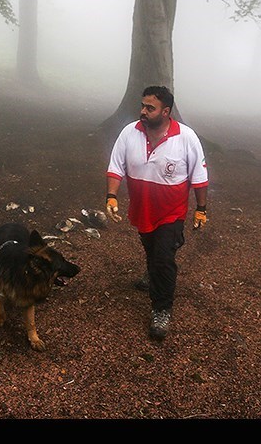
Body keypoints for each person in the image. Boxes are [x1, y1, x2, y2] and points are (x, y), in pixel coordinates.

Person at [105, 85, 208, 341]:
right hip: (143, 210)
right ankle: (153, 271)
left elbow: (200, 177)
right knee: (151, 247)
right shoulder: (130, 133)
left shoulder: (186, 137)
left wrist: (201, 210)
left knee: (163, 258)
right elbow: (115, 166)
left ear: (166, 111)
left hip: (172, 211)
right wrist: (111, 196)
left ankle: (161, 309)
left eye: (150, 108)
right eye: (143, 106)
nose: (143, 111)